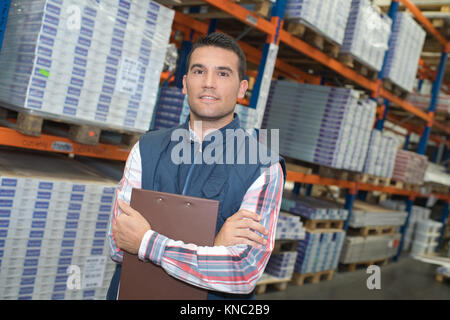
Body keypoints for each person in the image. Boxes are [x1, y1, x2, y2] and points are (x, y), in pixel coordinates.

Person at [106, 32, 286, 300]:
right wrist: (214, 246)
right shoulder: (146, 148)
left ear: (242, 89)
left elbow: (242, 272)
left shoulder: (263, 167)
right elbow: (117, 244)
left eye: (223, 74)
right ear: (185, 82)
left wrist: (146, 242)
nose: (209, 83)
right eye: (199, 71)